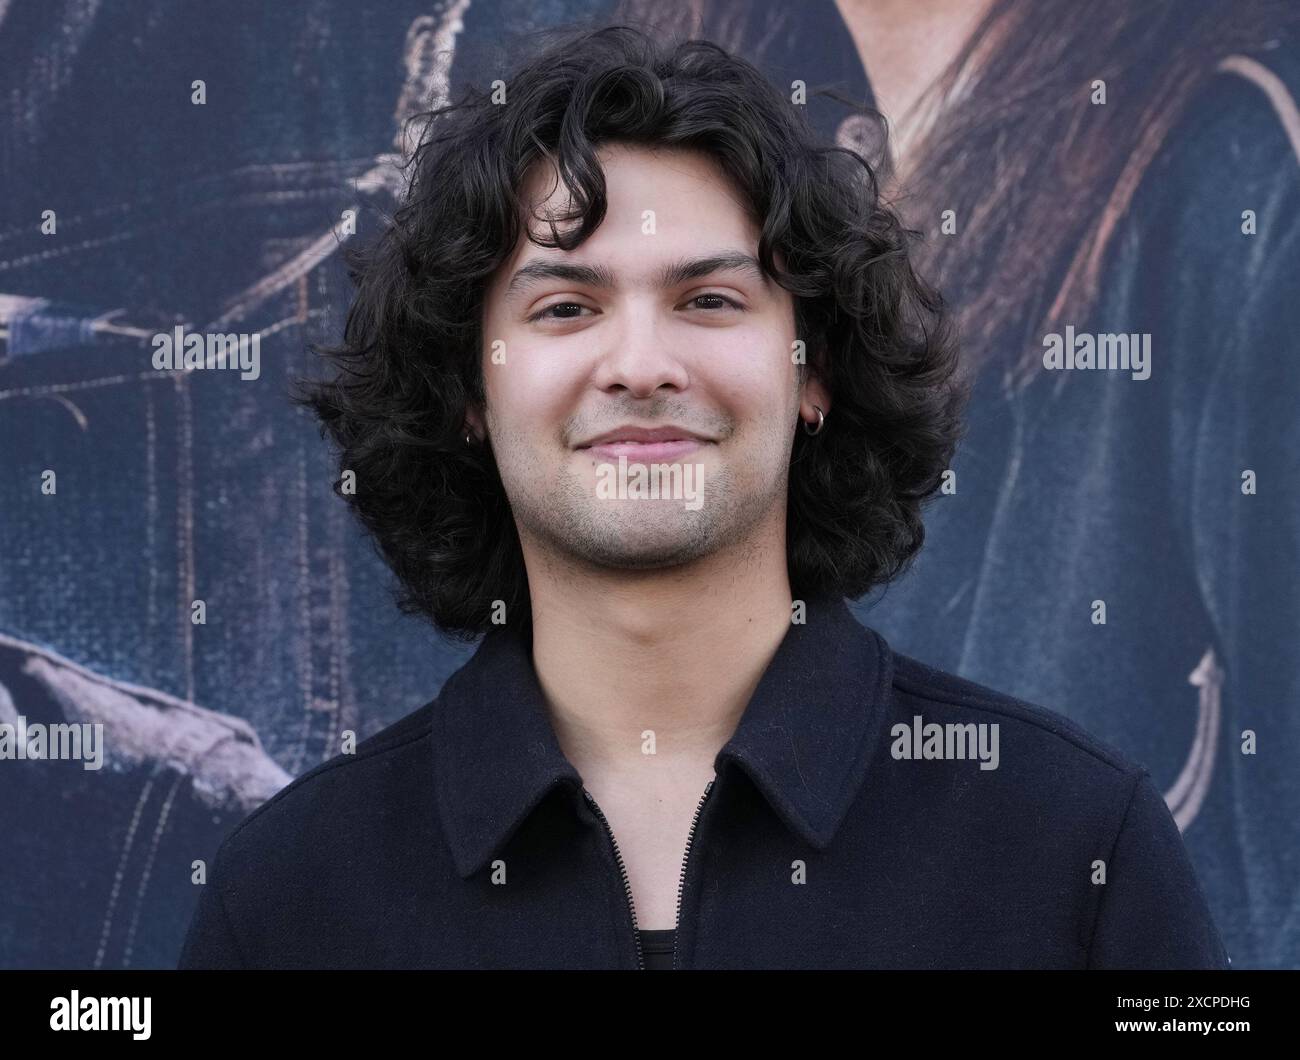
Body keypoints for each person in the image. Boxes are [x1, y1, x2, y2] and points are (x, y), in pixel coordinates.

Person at [176, 24, 1227, 970]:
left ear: (811, 371)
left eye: (709, 299)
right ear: (469, 391)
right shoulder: (292, 898)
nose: (641, 364)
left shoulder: (1076, 844)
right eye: (564, 307)